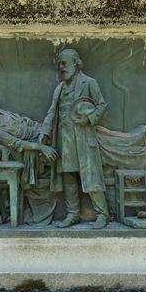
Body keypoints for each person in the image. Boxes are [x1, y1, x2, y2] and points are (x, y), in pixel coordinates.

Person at [39, 49, 110, 229]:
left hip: (84, 138)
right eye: (59, 64)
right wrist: (44, 132)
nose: (61, 67)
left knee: (91, 176)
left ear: (76, 63)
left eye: (64, 63)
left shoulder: (89, 82)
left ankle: (103, 214)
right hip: (65, 139)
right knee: (69, 177)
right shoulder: (60, 88)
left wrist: (90, 118)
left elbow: (102, 105)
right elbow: (51, 111)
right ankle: (73, 214)